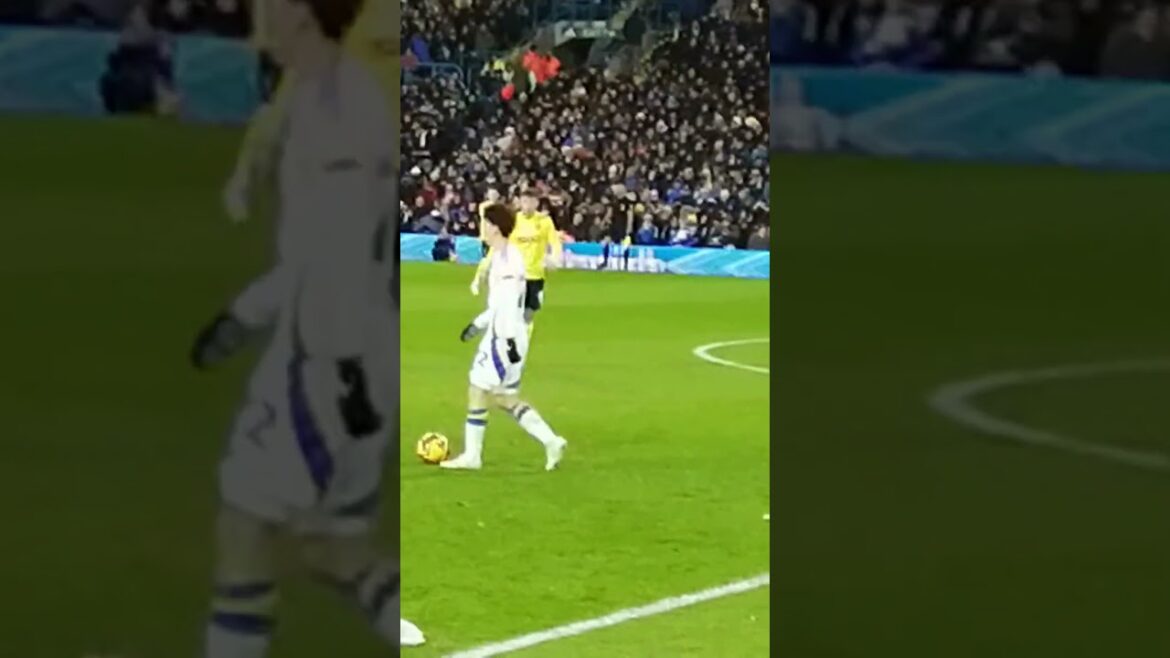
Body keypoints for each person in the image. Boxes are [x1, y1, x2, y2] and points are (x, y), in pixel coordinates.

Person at [186, 0, 424, 652]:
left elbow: (332, 252)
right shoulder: (339, 93)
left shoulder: (340, 115)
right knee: (330, 548)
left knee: (246, 537)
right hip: (371, 341)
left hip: (325, 358)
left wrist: (246, 316)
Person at [442, 205, 568, 471]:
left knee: (477, 389)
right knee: (503, 397)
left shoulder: (509, 260)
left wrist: (507, 341)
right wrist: (478, 325)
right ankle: (551, 441)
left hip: (503, 337)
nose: (482, 229)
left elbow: (508, 305)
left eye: (485, 223)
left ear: (495, 227)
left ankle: (472, 456)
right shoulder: (502, 256)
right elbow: (499, 305)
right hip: (506, 333)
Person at [469, 187, 562, 337]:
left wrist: (555, 258)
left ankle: (519, 340)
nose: (526, 205)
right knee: (509, 310)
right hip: (515, 275)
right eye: (524, 201)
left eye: (530, 202)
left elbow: (555, 243)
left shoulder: (544, 222)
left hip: (536, 275)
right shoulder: (514, 220)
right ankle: (492, 332)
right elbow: (499, 243)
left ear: (536, 203)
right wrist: (484, 268)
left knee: (529, 313)